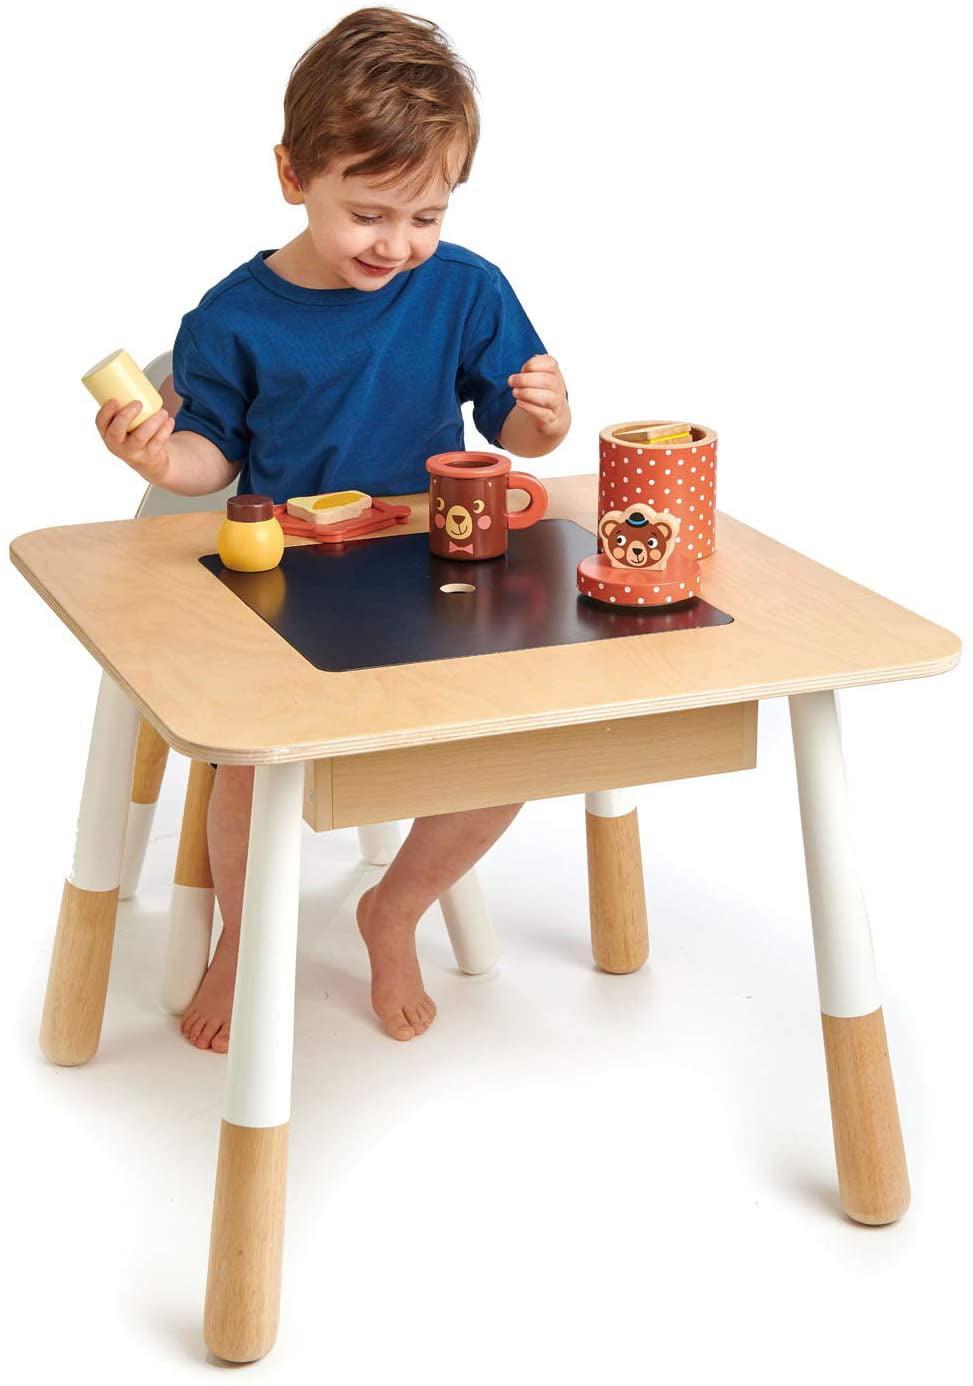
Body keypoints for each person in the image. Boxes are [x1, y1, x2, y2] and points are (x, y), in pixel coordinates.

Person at [94, 7, 571, 1048]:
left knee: (523, 746)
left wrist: (544, 414)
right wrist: (154, 457)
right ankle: (242, 940)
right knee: (250, 773)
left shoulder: (464, 288)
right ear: (291, 175)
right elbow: (207, 456)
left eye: (425, 217)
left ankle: (390, 909)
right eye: (368, 214)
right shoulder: (231, 317)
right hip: (285, 582)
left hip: (429, 566)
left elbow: (515, 434)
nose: (397, 246)